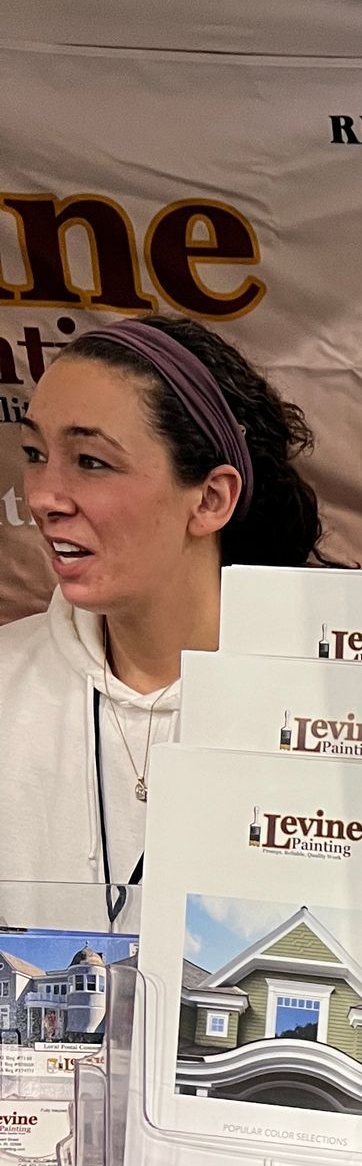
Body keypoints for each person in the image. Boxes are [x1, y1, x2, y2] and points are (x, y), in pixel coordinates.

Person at [0, 314, 326, 930]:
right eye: (35, 454)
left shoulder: (346, 703)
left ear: (210, 499)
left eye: (91, 461)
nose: (43, 496)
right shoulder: (7, 682)